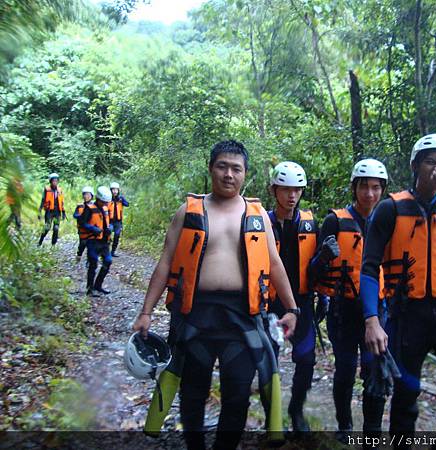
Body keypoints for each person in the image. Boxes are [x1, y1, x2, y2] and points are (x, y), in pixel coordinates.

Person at [132, 140, 298, 450]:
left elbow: (274, 264)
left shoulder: (258, 215)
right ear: (211, 169)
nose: (228, 174)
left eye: (236, 168)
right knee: (193, 392)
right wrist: (145, 312)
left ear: (245, 174)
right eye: (222, 166)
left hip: (242, 316)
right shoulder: (188, 211)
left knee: (237, 394)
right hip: (196, 314)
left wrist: (292, 308)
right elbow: (166, 262)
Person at [361, 134, 436, 447]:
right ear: (416, 166)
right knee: (406, 394)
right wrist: (372, 320)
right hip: (407, 315)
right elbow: (370, 268)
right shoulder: (390, 209)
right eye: (431, 162)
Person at [311, 158, 389, 440]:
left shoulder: (388, 220)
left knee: (374, 370)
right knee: (344, 371)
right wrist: (324, 256)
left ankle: (372, 431)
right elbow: (313, 272)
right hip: (343, 309)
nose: (370, 194)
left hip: (377, 311)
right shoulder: (335, 221)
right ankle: (345, 425)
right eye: (364, 187)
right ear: (354, 188)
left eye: (376, 187)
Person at [266, 161, 318, 433]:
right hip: (271, 305)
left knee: (306, 360)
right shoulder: (262, 223)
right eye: (285, 189)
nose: (292, 195)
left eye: (297, 190)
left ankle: (296, 411)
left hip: (303, 303)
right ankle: (271, 417)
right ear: (274, 190)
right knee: (269, 362)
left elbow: (317, 267)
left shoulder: (310, 223)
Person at [80, 186, 113, 296]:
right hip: (93, 241)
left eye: (106, 202)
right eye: (103, 202)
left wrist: (110, 228)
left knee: (108, 261)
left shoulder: (106, 208)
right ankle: (90, 289)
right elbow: (82, 223)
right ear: (98, 199)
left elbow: (111, 222)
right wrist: (93, 229)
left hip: (104, 242)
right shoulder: (89, 208)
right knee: (93, 264)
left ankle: (98, 285)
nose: (105, 204)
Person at [38, 173, 66, 246]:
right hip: (49, 212)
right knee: (47, 227)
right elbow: (43, 200)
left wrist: (63, 212)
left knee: (56, 228)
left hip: (57, 213)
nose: (55, 182)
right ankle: (40, 241)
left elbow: (61, 202)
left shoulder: (59, 190)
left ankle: (53, 244)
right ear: (50, 181)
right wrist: (39, 211)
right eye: (53, 181)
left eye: (56, 181)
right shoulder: (47, 189)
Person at [73, 186, 95, 263]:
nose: (86, 196)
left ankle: (89, 261)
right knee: (82, 244)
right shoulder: (80, 206)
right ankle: (79, 256)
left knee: (91, 246)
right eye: (85, 195)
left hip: (91, 229)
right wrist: (80, 217)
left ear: (92, 196)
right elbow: (75, 215)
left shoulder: (94, 206)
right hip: (82, 230)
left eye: (88, 195)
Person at [108, 182, 129, 257]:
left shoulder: (120, 198)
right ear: (111, 190)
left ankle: (112, 252)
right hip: (109, 221)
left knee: (117, 235)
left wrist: (122, 200)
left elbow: (127, 204)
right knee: (108, 234)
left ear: (118, 190)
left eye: (116, 189)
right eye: (113, 189)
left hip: (118, 221)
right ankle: (106, 251)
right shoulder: (107, 198)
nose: (115, 191)